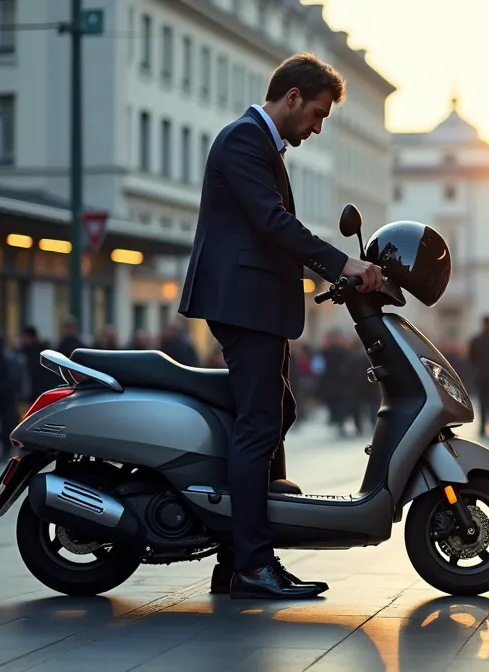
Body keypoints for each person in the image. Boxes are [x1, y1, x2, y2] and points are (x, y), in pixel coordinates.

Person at [179, 52, 382, 600]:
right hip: (243, 303)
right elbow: (272, 224)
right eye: (316, 114)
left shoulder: (264, 145)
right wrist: (343, 263)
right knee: (258, 425)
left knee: (275, 413)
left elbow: (270, 229)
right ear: (291, 97)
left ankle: (238, 555)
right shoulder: (244, 139)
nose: (317, 127)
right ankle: (250, 564)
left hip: (257, 303)